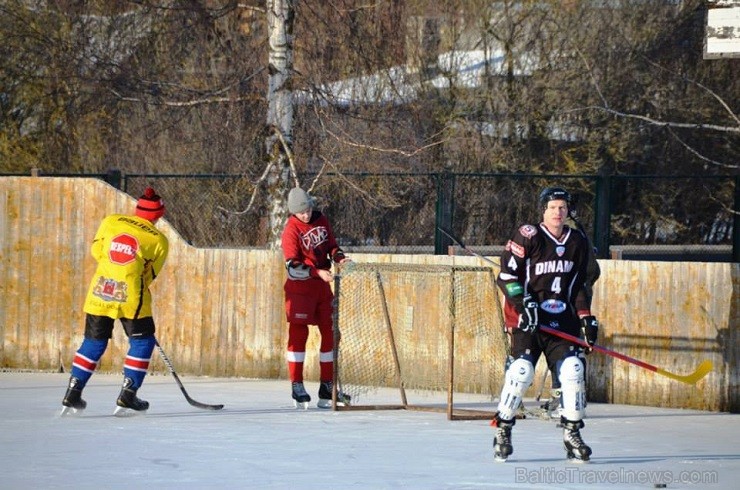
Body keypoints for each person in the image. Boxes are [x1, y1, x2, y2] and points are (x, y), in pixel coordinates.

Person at [492, 186, 599, 462]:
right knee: (521, 371)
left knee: (574, 371)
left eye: (562, 207)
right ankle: (503, 428)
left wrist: (586, 316)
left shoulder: (577, 241)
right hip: (528, 322)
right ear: (544, 210)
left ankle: (572, 433)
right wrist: (523, 304)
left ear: (568, 211)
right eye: (553, 207)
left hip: (561, 322)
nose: (558, 212)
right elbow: (506, 278)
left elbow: (579, 285)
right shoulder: (529, 235)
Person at [60, 187, 169, 417]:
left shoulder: (111, 221)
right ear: (158, 216)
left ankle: (73, 392)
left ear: (136, 209)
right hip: (132, 298)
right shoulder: (159, 240)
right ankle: (128, 394)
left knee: (94, 342)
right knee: (142, 343)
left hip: (101, 291)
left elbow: (97, 251)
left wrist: (114, 271)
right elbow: (150, 275)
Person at [281, 187, 351, 409]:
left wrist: (340, 258)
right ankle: (297, 385)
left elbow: (331, 246)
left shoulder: (321, 219)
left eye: (308, 209)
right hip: (301, 290)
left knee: (331, 333)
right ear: (294, 213)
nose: (306, 215)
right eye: (301, 212)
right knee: (298, 333)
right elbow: (292, 266)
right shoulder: (291, 230)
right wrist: (315, 272)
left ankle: (327, 386)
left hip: (322, 287)